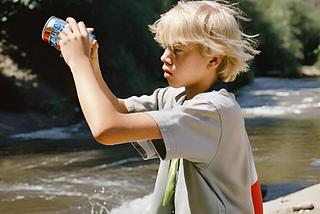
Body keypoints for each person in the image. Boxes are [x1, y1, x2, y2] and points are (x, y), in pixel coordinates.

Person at [58, 1, 263, 213]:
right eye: (165, 47)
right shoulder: (178, 98)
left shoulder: (215, 111)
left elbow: (106, 129)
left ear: (214, 59)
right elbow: (116, 110)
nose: (164, 56)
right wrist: (91, 66)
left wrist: (78, 64)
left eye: (177, 49)